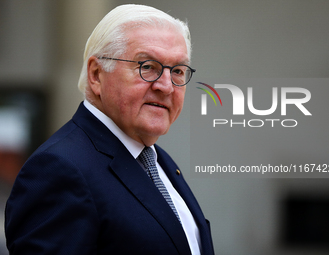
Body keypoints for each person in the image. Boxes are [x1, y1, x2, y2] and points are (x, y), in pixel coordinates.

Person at [5, 4, 214, 255]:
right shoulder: (59, 169)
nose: (167, 86)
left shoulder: (158, 161)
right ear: (96, 74)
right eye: (147, 66)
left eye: (178, 71)